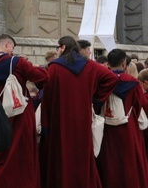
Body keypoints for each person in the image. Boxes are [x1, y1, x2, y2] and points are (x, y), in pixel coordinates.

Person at [39, 36, 118, 188]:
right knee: (82, 155)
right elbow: (111, 78)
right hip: (82, 117)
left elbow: (47, 98)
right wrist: (96, 99)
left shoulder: (54, 67)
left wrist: (46, 123)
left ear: (62, 48)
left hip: (60, 118)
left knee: (63, 156)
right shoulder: (90, 65)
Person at [0, 34, 48, 188]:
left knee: (1, 154)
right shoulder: (18, 63)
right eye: (13, 48)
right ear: (7, 44)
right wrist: (36, 67)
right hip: (21, 113)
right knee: (25, 153)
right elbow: (43, 77)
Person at [96, 49, 148, 188]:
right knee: (129, 160)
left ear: (108, 63)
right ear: (123, 63)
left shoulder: (102, 81)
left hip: (107, 127)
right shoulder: (132, 82)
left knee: (110, 160)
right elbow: (141, 104)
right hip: (128, 126)